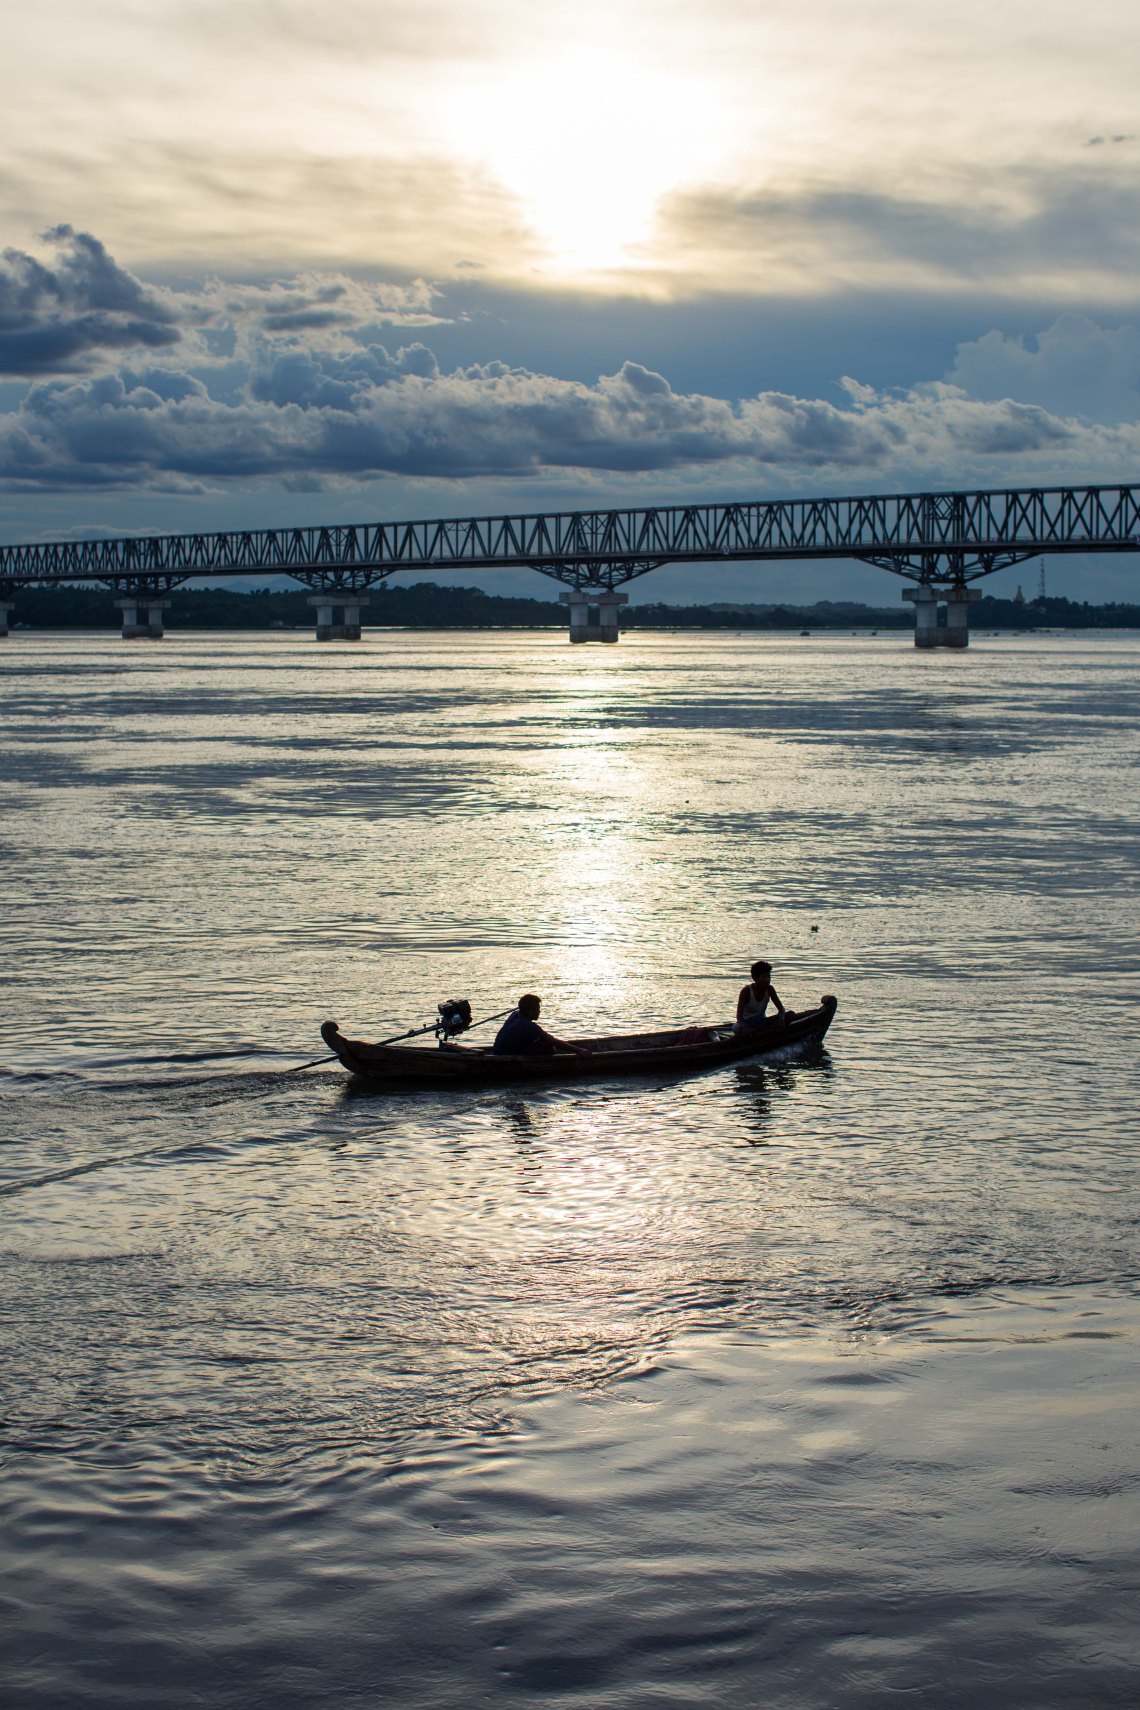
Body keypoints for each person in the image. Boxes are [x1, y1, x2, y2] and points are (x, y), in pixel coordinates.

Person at [492, 993, 590, 1057]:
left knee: (536, 1041)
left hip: (497, 1051)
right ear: (530, 1011)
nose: (539, 1012)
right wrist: (579, 1050)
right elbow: (553, 1041)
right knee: (547, 1046)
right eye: (538, 1009)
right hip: (506, 1054)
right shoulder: (528, 1026)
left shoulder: (514, 1014)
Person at [736, 960, 788, 1032]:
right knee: (736, 1028)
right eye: (764, 976)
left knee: (790, 1015)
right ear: (755, 978)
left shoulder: (770, 989)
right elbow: (739, 1017)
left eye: (769, 976)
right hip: (748, 1022)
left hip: (762, 1021)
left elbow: (781, 1009)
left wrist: (781, 1018)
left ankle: (762, 1030)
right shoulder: (746, 991)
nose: (768, 979)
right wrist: (744, 1026)